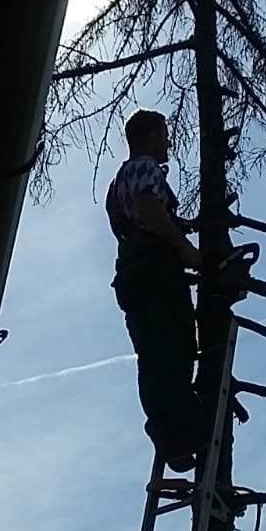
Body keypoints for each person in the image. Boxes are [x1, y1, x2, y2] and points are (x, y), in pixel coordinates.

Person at [106, 110, 205, 471]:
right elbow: (149, 210)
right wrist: (184, 248)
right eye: (164, 133)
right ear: (149, 136)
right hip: (156, 276)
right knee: (175, 348)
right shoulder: (146, 169)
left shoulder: (120, 181)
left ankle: (169, 433)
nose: (168, 142)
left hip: (134, 279)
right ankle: (185, 427)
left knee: (153, 357)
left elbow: (142, 218)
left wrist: (183, 230)